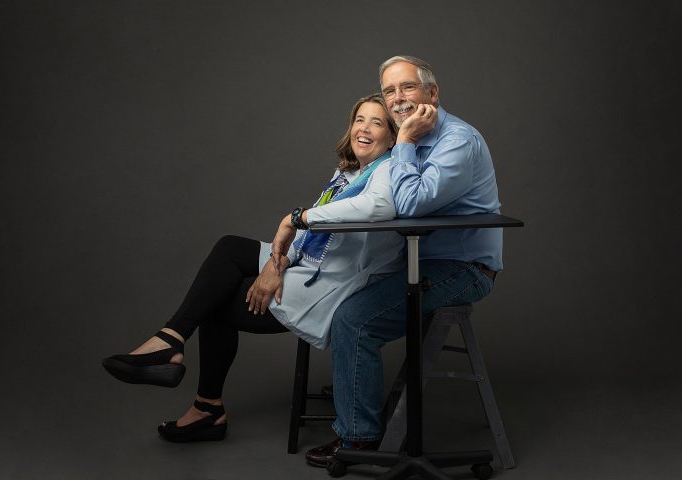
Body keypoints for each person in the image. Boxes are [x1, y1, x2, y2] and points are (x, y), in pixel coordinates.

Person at [102, 94, 405, 443]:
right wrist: (279, 262)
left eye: (377, 123)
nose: (364, 129)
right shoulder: (351, 173)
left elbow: (377, 208)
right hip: (308, 264)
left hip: (327, 285)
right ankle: (173, 345)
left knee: (215, 303)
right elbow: (317, 238)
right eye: (359, 120)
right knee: (230, 249)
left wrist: (296, 221)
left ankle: (202, 401)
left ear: (393, 137)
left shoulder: (389, 171)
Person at [295, 56, 504, 467]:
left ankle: (358, 440)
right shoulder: (413, 139)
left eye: (407, 87)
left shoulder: (455, 141)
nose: (397, 98)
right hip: (415, 262)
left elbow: (407, 207)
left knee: (354, 320)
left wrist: (404, 140)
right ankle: (360, 409)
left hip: (462, 270)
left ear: (433, 92)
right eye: (389, 90)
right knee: (341, 299)